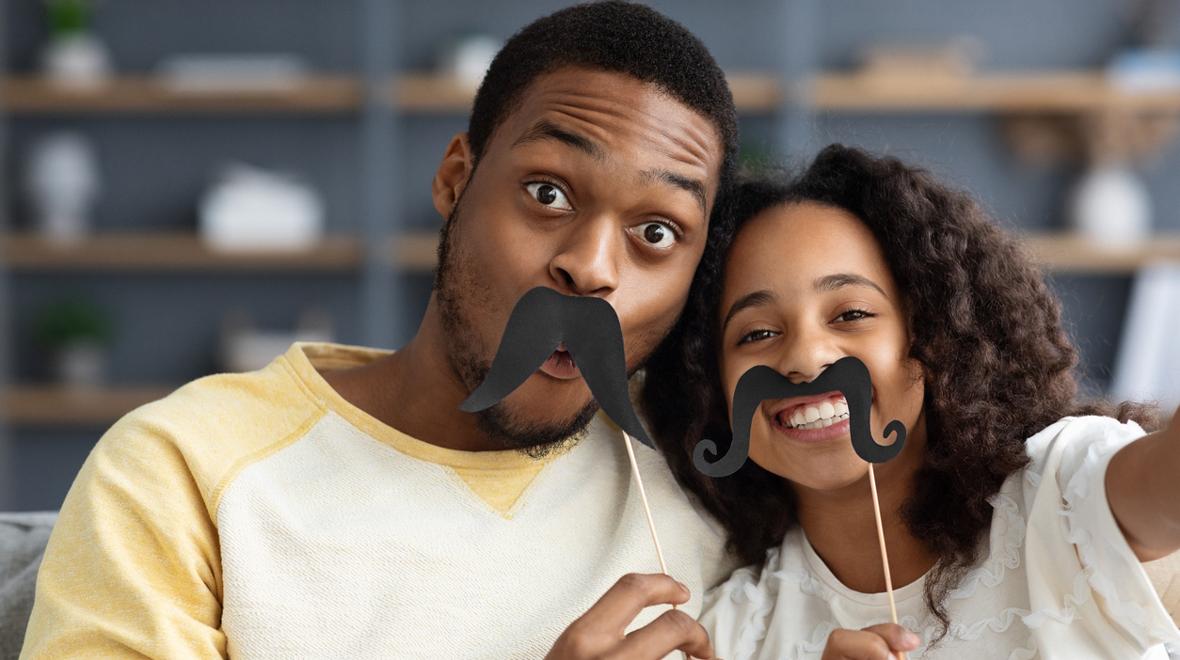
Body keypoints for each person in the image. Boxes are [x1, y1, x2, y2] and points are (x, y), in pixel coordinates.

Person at [20, 3, 743, 658]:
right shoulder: (182, 469)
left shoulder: (719, 473)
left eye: (656, 232)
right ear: (455, 180)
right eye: (547, 193)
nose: (590, 269)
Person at [639, 145, 1180, 658]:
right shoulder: (731, 635)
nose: (804, 358)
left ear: (934, 338)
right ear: (710, 384)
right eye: (757, 333)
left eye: (851, 314)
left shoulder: (1060, 492)